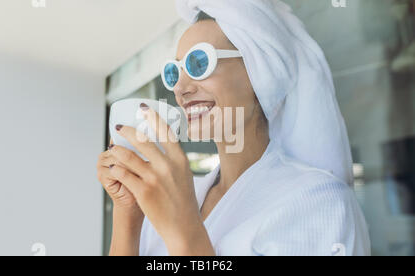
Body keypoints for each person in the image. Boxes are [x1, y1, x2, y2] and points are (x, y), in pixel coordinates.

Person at [96, 0, 371, 256]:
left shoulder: (321, 204)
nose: (180, 88)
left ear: (257, 73)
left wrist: (184, 229)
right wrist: (127, 214)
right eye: (174, 72)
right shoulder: (173, 197)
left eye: (199, 63)